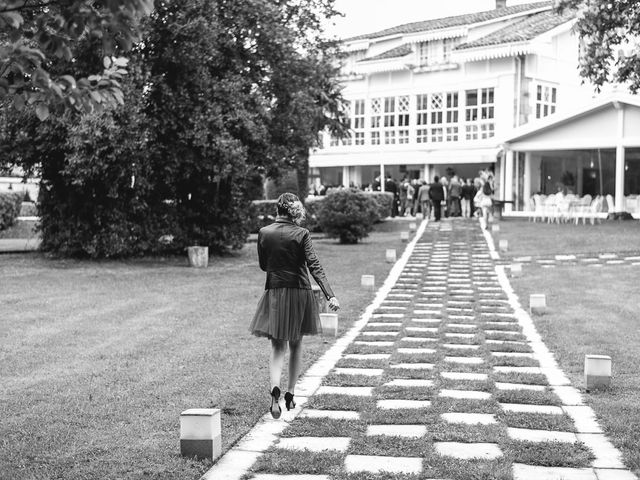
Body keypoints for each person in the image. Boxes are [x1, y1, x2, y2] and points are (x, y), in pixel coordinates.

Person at [249, 193, 340, 419]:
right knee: (296, 344)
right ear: (294, 211)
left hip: (276, 292)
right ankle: (290, 393)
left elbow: (263, 265)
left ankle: (274, 390)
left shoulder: (264, 233)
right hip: (299, 292)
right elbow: (314, 266)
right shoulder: (302, 234)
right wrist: (330, 295)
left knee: (278, 347)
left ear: (277, 210)